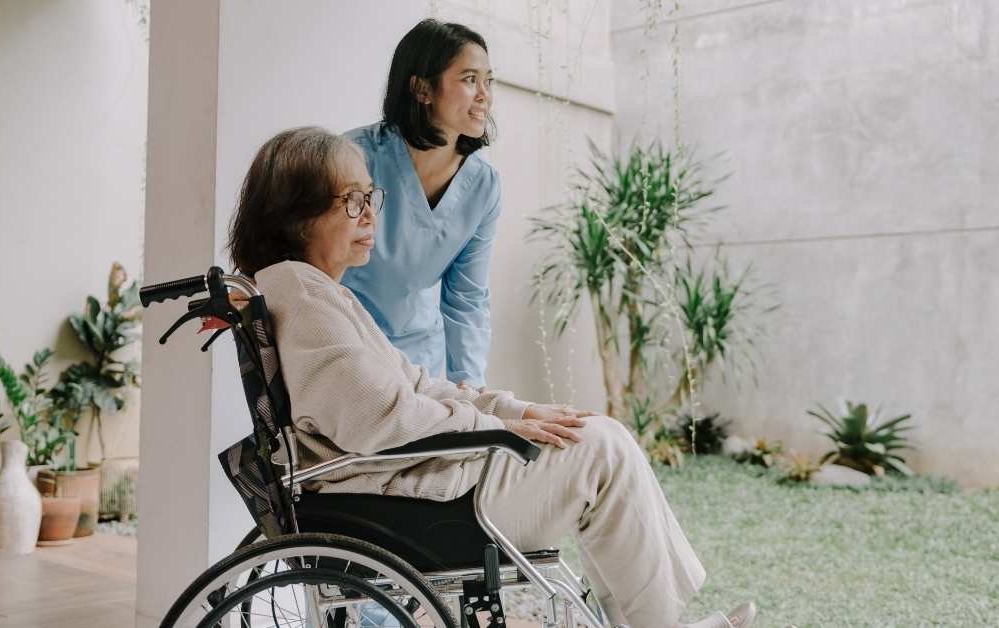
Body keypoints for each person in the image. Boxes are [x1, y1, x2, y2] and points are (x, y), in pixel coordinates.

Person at [226, 126, 757, 628]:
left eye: (371, 198)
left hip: (409, 483)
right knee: (603, 449)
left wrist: (513, 411)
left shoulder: (311, 291)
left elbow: (415, 385)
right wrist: (497, 430)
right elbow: (380, 417)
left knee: (597, 437)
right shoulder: (306, 298)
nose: (369, 216)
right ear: (297, 216)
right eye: (351, 201)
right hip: (411, 498)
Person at [340, 19, 503, 388]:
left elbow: (467, 298)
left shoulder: (483, 185)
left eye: (488, 81)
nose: (484, 95)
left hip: (420, 367)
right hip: (348, 351)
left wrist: (470, 387)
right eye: (469, 79)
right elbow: (309, 263)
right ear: (422, 89)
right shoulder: (352, 158)